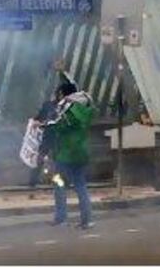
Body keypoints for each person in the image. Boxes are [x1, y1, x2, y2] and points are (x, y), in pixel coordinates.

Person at [47, 76, 96, 229]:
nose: (58, 97)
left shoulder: (68, 110)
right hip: (81, 153)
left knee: (59, 183)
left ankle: (61, 217)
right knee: (80, 185)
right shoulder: (86, 109)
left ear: (64, 94)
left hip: (66, 154)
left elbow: (59, 126)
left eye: (59, 94)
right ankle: (86, 220)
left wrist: (44, 125)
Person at [28, 88, 61, 187]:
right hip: (47, 136)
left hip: (59, 137)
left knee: (59, 160)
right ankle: (33, 181)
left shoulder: (66, 108)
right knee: (40, 157)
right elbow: (39, 117)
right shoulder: (48, 105)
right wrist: (35, 121)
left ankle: (60, 181)